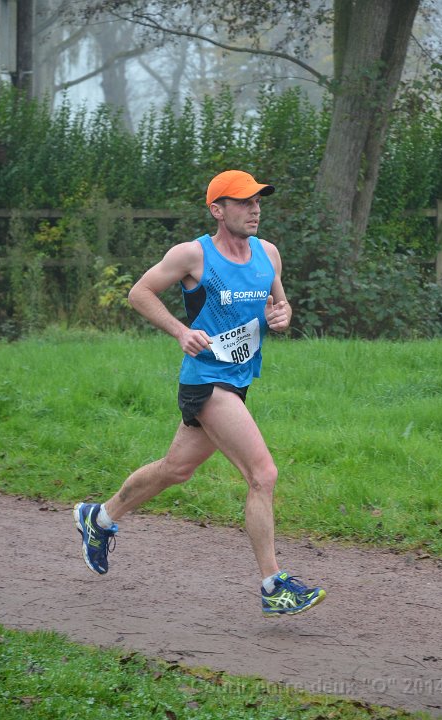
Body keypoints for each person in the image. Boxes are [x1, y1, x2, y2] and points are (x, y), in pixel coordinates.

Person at [73, 169, 326, 617]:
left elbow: (279, 307)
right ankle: (274, 585)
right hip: (206, 381)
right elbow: (139, 293)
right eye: (244, 202)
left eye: (258, 201)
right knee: (262, 474)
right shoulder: (193, 255)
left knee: (176, 469)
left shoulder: (268, 254)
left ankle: (100, 517)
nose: (255, 209)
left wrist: (282, 317)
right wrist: (180, 330)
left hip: (239, 380)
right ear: (217, 209)